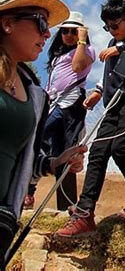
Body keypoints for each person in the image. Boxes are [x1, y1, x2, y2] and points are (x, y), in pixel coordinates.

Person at [55, 0, 125, 238]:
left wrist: (123, 47)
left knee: (120, 148)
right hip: (113, 105)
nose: (111, 31)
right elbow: (118, 75)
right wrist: (98, 91)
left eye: (115, 25)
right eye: (107, 27)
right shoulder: (115, 45)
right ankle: (84, 213)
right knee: (98, 153)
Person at [0, 0, 86, 269]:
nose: (48, 33)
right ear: (7, 23)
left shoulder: (36, 94)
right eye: (39, 22)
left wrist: (53, 162)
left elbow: (23, 159)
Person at [24, 11, 96, 210]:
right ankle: (29, 191)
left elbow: (77, 67)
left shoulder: (87, 49)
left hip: (72, 104)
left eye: (74, 31)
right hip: (54, 103)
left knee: (68, 151)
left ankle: (66, 205)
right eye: (66, 31)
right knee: (49, 147)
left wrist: (82, 41)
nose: (69, 35)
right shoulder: (58, 56)